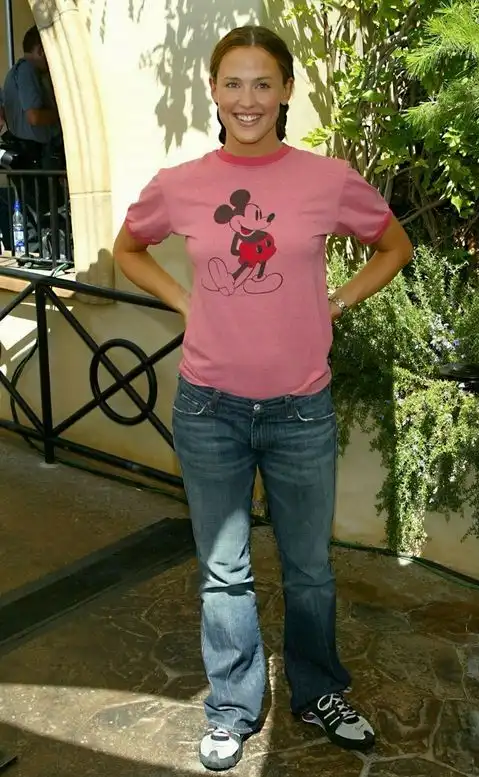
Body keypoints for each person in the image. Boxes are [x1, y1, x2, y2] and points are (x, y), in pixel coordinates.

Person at [113, 25, 413, 772]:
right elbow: (128, 249)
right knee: (224, 573)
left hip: (300, 410)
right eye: (233, 84)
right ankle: (233, 707)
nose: (247, 99)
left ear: (285, 92)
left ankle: (319, 692)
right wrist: (185, 302)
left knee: (310, 571)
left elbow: (394, 246)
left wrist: (335, 302)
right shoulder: (180, 183)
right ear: (213, 92)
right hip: (208, 410)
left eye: (263, 83)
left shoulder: (327, 179)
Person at [2, 25, 63, 170]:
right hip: (38, 155)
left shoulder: (16, 71)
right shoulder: (27, 70)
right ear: (41, 50)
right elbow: (34, 117)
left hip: (30, 154)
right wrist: (63, 115)